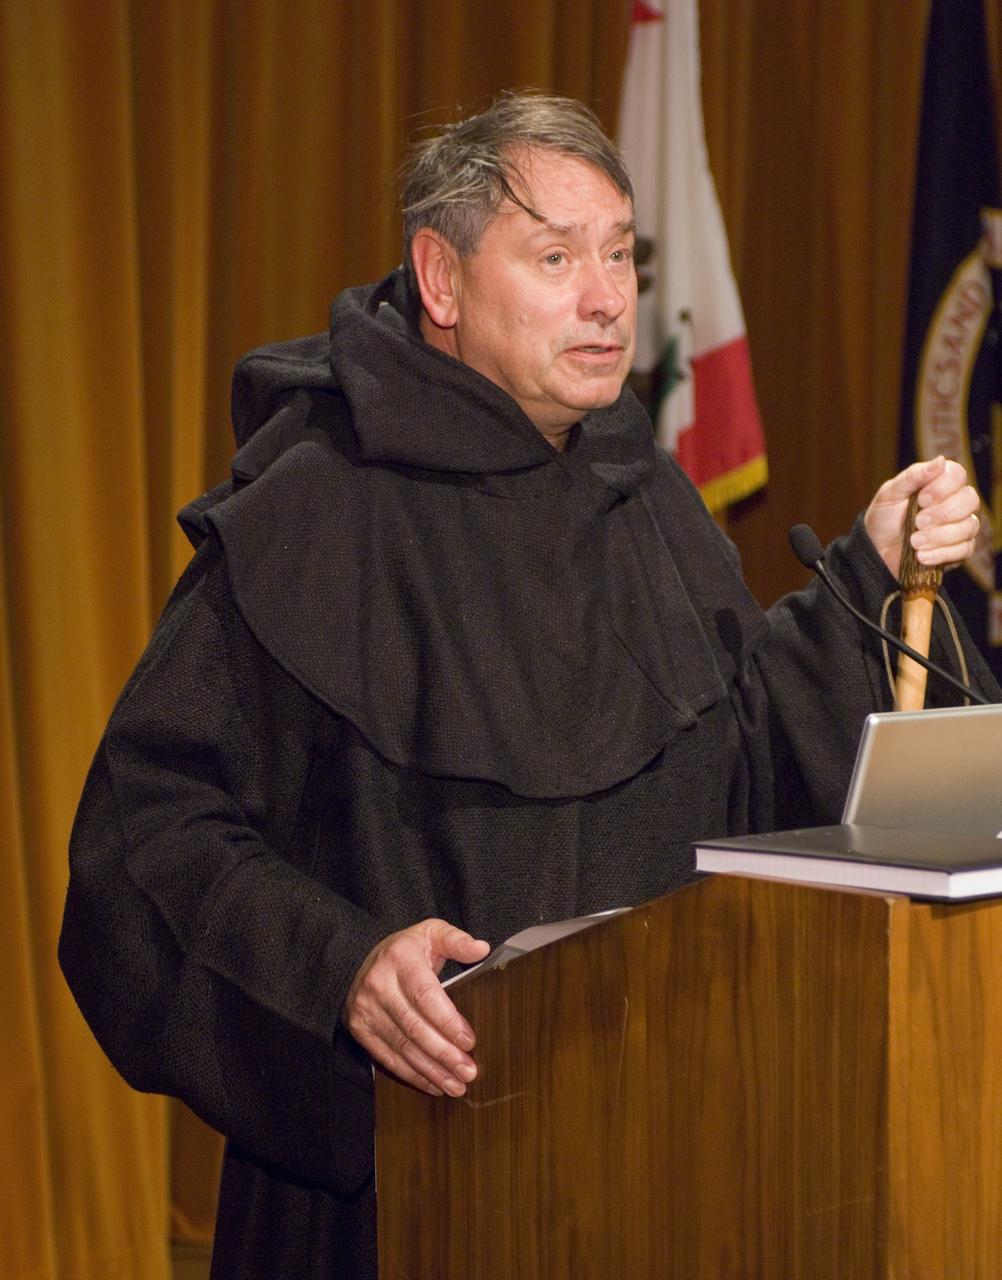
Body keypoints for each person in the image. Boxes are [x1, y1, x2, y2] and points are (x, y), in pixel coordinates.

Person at [59, 93, 994, 1280]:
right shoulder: (311, 507)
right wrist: (340, 966)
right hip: (396, 1205)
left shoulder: (646, 499)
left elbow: (740, 772)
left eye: (619, 255)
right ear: (440, 280)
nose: (608, 298)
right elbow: (146, 836)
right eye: (556, 257)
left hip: (653, 1174)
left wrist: (868, 566)